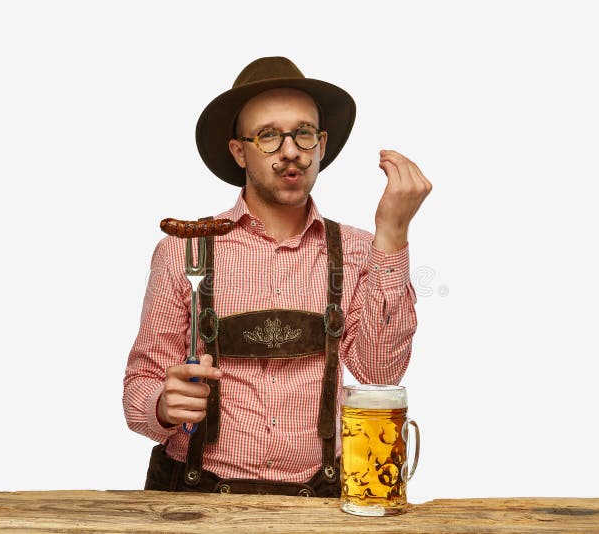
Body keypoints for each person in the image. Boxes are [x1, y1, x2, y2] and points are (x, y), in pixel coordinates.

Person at [123, 56, 432, 496]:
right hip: (196, 496)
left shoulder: (362, 250)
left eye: (303, 133)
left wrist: (393, 234)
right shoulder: (184, 250)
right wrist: (163, 404)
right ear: (238, 150)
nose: (290, 150)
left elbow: (380, 371)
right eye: (268, 135)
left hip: (319, 498)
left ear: (321, 144)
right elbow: (139, 395)